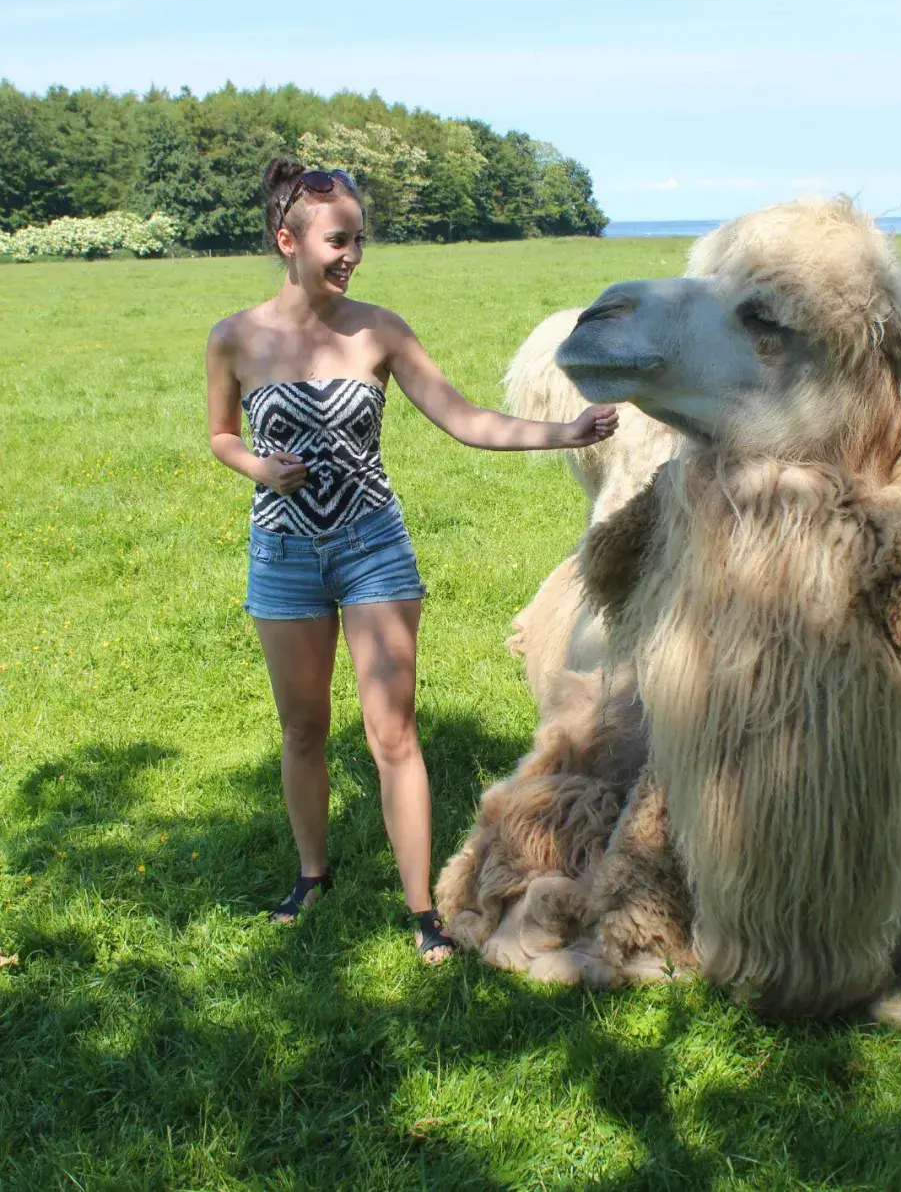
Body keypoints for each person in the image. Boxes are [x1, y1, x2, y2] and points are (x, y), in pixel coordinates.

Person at [205, 160, 617, 963]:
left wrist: (564, 431)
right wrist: (258, 466)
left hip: (372, 549)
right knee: (303, 729)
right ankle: (311, 874)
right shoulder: (236, 337)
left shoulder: (380, 331)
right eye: (337, 239)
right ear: (286, 240)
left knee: (392, 733)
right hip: (283, 554)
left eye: (359, 238)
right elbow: (222, 433)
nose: (353, 252)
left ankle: (423, 909)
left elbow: (463, 418)